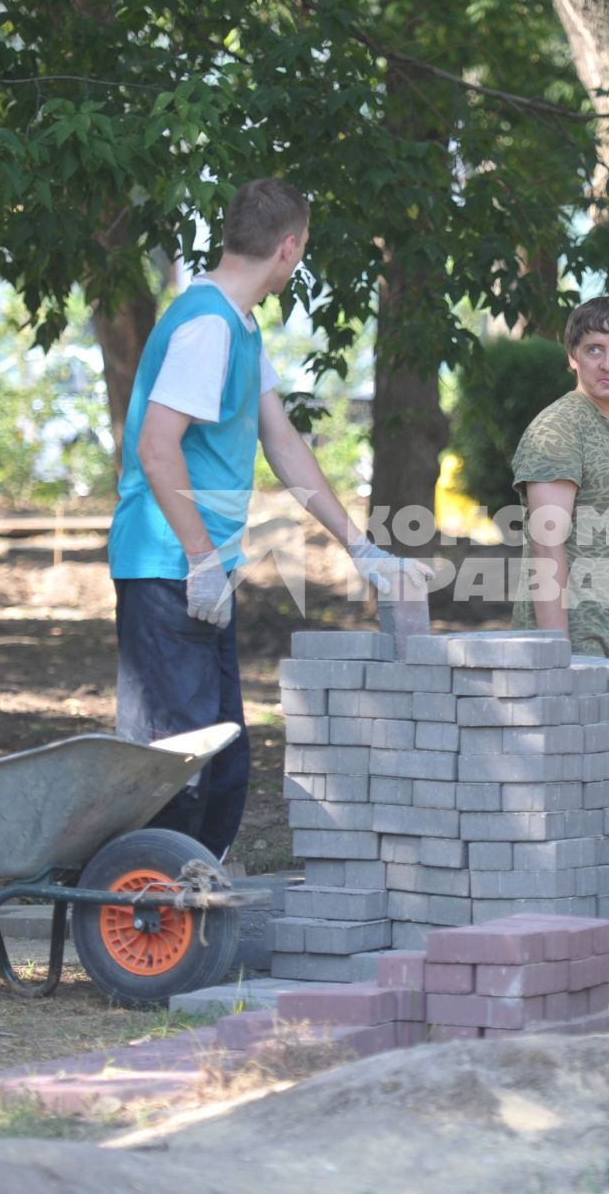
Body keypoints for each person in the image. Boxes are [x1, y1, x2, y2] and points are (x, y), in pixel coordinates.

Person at [110, 178, 430, 860]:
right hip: (170, 569)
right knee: (176, 769)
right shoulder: (205, 328)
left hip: (201, 574)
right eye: (303, 248)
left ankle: (192, 903)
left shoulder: (239, 326)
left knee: (222, 764)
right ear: (288, 248)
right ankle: (145, 924)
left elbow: (282, 443)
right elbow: (155, 446)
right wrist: (200, 557)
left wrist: (362, 549)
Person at [510, 295, 609, 660]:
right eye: (594, 350)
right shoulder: (560, 428)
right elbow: (546, 545)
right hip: (574, 647)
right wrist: (555, 656)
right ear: (573, 358)